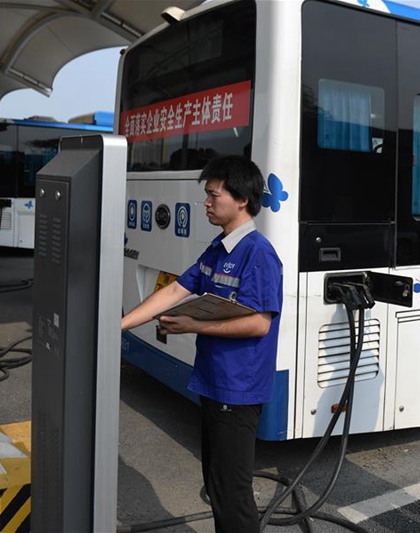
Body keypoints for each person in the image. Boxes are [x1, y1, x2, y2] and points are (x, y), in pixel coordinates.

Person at [121, 155, 283, 533]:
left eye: (213, 195)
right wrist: (122, 324)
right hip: (214, 381)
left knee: (231, 491)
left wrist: (195, 325)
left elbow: (260, 324)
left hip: (238, 387)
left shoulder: (258, 253)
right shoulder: (219, 247)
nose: (207, 203)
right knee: (216, 483)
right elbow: (179, 288)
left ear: (241, 199)